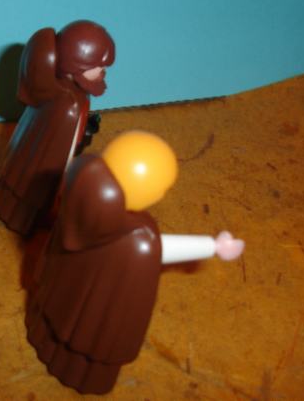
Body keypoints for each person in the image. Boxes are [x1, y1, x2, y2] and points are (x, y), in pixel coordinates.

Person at [25, 131, 244, 394]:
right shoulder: (139, 239)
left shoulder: (82, 190)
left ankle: (47, 343)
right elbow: (163, 250)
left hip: (60, 294)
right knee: (87, 332)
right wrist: (214, 246)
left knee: (61, 319)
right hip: (94, 313)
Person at [0, 20, 115, 236]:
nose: (103, 72)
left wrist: (84, 128)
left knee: (35, 199)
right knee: (28, 205)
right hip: (39, 172)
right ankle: (23, 224)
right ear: (77, 65)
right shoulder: (67, 104)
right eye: (98, 67)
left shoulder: (71, 94)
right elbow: (60, 150)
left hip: (36, 165)